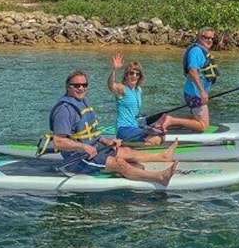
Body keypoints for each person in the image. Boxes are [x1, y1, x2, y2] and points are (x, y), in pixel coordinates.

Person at [46, 69, 179, 185]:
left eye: (84, 85)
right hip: (79, 158)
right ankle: (159, 177)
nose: (81, 88)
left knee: (126, 151)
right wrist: (84, 147)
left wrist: (106, 141)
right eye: (76, 85)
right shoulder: (64, 110)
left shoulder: (82, 102)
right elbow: (59, 142)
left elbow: (91, 133)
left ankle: (162, 156)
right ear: (67, 86)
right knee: (120, 163)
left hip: (95, 148)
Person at [152, 27, 218, 134]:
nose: (209, 41)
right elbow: (192, 71)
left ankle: (166, 119)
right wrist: (202, 91)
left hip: (195, 93)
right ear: (200, 37)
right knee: (203, 126)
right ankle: (170, 120)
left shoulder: (201, 51)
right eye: (206, 38)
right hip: (195, 94)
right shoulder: (196, 51)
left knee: (198, 119)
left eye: (211, 38)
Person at [106, 53, 165, 146]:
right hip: (123, 129)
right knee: (156, 139)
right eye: (131, 73)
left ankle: (131, 145)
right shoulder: (122, 89)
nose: (134, 76)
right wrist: (114, 69)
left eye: (137, 74)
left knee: (163, 135)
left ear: (140, 76)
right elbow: (111, 85)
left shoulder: (138, 90)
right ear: (126, 75)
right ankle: (126, 147)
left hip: (135, 126)